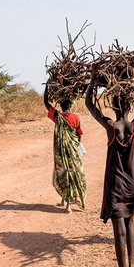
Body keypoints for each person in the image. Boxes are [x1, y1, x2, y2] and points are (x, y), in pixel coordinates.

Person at [85, 82, 134, 267]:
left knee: (118, 230)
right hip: (132, 184)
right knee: (130, 224)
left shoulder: (111, 127)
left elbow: (90, 105)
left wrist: (92, 81)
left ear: (113, 105)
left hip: (116, 185)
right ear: (129, 105)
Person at [43, 85, 87, 213]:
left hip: (61, 153)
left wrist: (47, 88)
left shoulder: (58, 116)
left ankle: (68, 205)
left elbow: (46, 103)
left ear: (61, 106)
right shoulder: (76, 117)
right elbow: (79, 134)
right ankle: (65, 201)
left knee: (63, 173)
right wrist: (76, 145)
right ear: (71, 105)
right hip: (72, 151)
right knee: (73, 173)